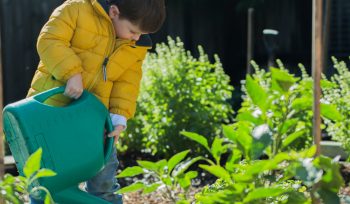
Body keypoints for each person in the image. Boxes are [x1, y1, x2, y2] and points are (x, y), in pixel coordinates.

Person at [28, 0, 166, 203]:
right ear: (114, 12)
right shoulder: (76, 9)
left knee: (104, 185)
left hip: (95, 121)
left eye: (140, 34)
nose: (136, 38)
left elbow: (128, 81)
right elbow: (49, 39)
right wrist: (72, 72)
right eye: (133, 31)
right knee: (51, 185)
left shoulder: (135, 44)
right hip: (53, 114)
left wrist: (119, 116)